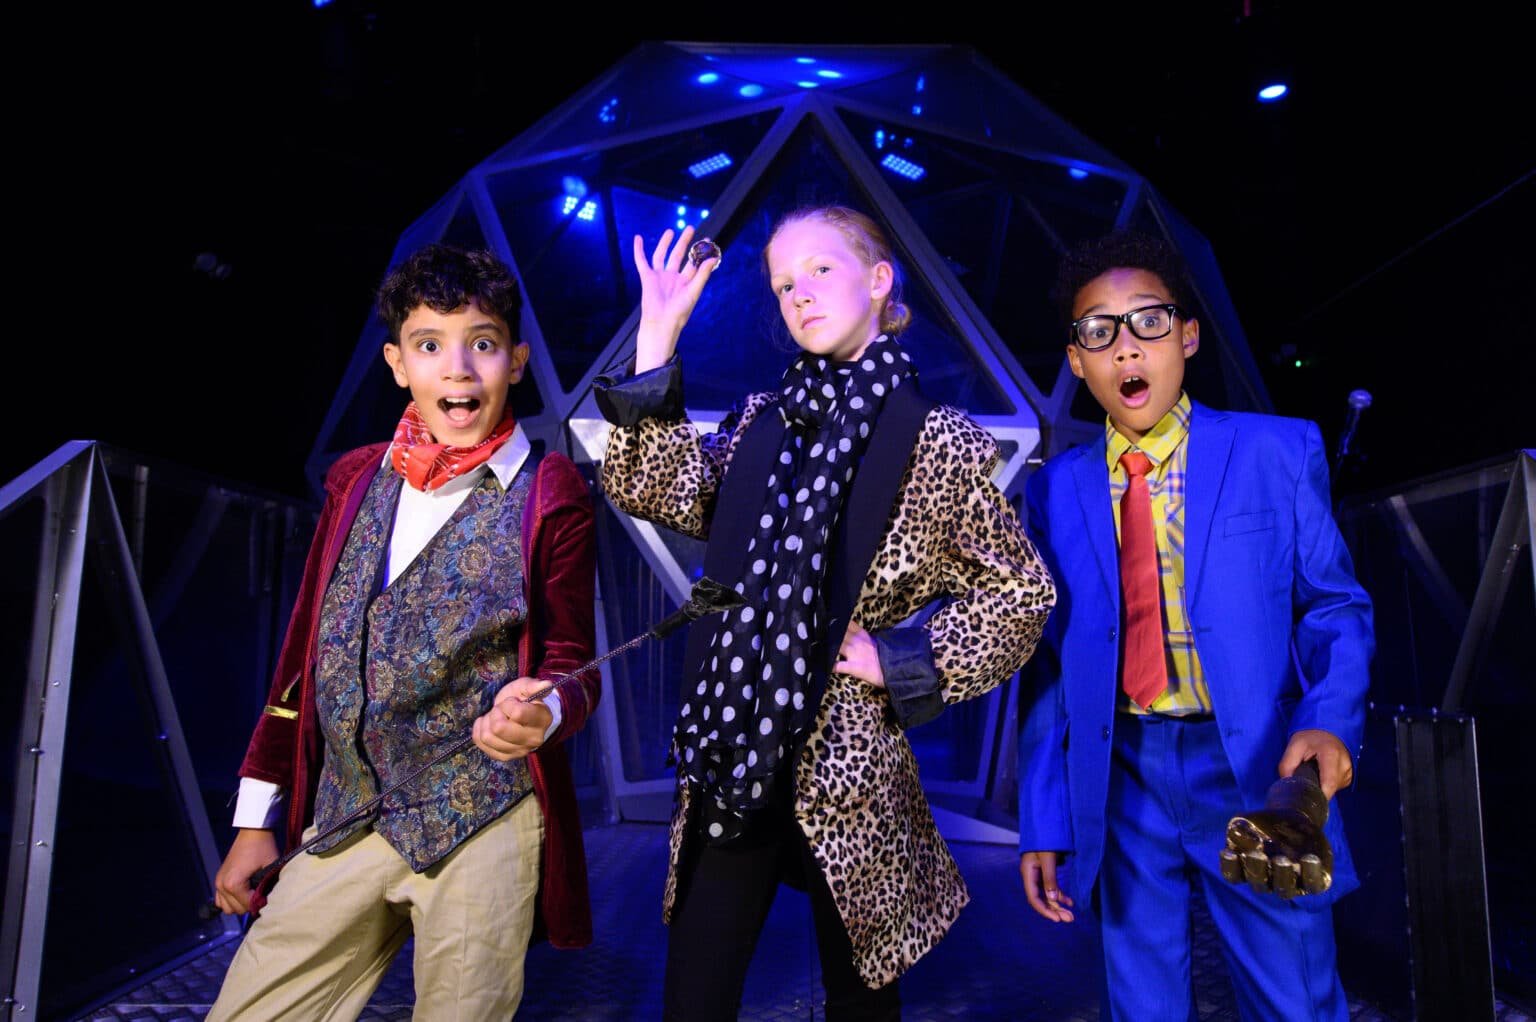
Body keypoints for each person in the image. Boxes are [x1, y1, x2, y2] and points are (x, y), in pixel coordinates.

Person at [594, 207, 1055, 1020]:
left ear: (879, 281)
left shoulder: (938, 440)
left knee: (862, 1001)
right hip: (734, 744)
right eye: (782, 284)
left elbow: (1020, 592)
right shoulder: (761, 421)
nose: (798, 294)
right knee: (696, 993)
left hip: (849, 763)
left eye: (819, 270)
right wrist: (658, 335)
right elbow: (655, 486)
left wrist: (904, 659)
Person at [206, 244, 599, 1020]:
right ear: (397, 363)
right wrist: (256, 820)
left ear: (516, 361)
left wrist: (548, 709)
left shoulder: (549, 491)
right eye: (429, 345)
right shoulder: (355, 479)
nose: (458, 368)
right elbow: (302, 660)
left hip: (480, 815)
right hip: (346, 813)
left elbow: (573, 660)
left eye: (482, 343)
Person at [1016, 230, 1374, 1020]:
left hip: (1253, 763)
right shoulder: (1055, 490)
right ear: (1077, 361)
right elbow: (1045, 662)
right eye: (1098, 332)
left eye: (1148, 322)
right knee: (1140, 1004)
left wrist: (1329, 719)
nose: (1125, 347)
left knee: (1294, 999)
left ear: (1187, 336)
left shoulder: (1276, 451)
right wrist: (1043, 814)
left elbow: (1335, 606)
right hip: (1122, 776)